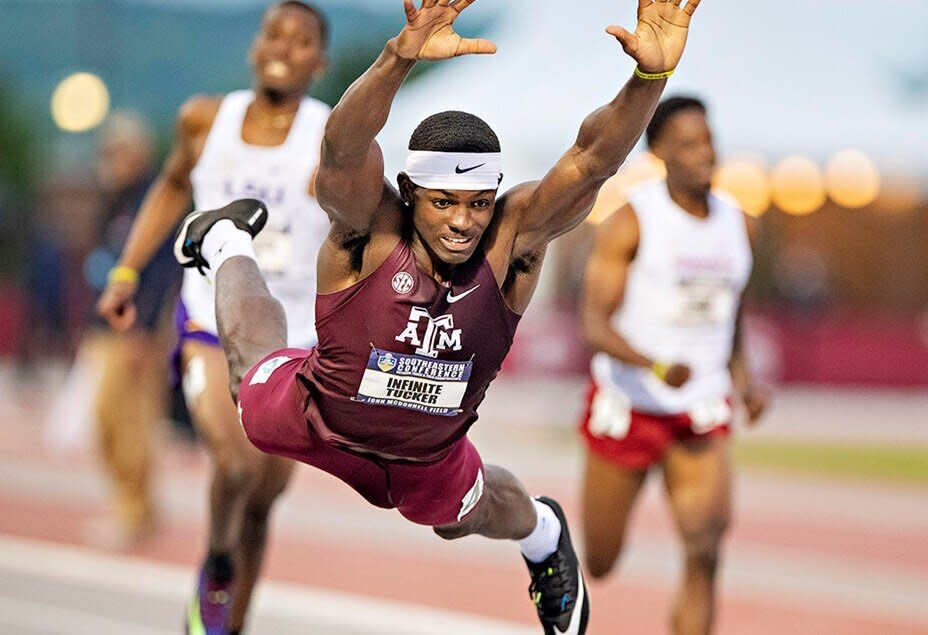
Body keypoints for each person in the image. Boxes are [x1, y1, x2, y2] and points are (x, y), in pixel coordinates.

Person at [162, 1, 705, 633]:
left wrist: (649, 80)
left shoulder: (513, 245)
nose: (462, 222)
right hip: (318, 414)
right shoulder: (370, 227)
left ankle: (545, 536)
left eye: (477, 203)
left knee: (457, 520)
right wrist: (399, 57)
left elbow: (592, 160)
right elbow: (341, 148)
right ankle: (228, 241)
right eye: (443, 202)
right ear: (411, 192)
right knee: (249, 386)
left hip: (427, 456)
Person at [97, 3, 331, 633]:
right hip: (210, 320)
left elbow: (363, 230)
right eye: (273, 32)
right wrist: (126, 270)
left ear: (320, 61)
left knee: (263, 500)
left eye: (301, 38)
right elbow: (173, 185)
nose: (283, 45)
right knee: (235, 462)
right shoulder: (204, 120)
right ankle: (218, 559)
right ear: (255, 46)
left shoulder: (333, 139)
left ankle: (230, 618)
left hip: (296, 339)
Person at [578, 95, 767, 635]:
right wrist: (655, 366)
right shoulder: (631, 220)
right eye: (687, 144)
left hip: (700, 404)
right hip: (630, 403)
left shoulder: (742, 225)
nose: (704, 152)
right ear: (658, 152)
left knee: (706, 547)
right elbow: (593, 325)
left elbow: (734, 317)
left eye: (708, 139)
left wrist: (745, 381)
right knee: (602, 560)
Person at [82, 112, 181, 548]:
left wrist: (146, 329)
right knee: (106, 419)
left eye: (116, 153)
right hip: (106, 324)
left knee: (131, 421)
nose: (108, 162)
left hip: (138, 329)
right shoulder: (115, 201)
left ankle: (135, 511)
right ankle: (134, 503)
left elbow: (162, 271)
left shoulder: (154, 202)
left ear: (136, 155)